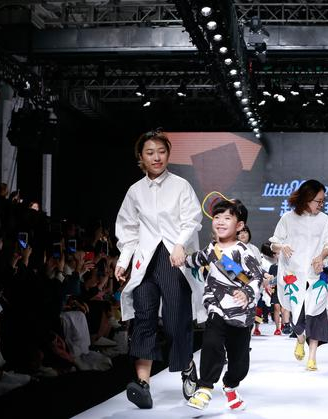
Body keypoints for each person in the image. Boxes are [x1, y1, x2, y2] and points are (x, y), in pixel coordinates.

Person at [114, 128, 205, 409]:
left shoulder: (180, 185)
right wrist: (123, 260)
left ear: (168, 154)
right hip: (145, 262)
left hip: (173, 259)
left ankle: (187, 366)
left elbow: (192, 219)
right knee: (144, 318)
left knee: (176, 320)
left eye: (162, 151)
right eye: (150, 152)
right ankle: (143, 384)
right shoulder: (135, 191)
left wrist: (180, 245)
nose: (156, 157)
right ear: (141, 157)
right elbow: (128, 229)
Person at [183, 199, 262, 410]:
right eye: (217, 217)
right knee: (211, 343)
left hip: (240, 313)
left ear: (239, 225)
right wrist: (180, 258)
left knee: (240, 362)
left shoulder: (243, 251)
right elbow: (195, 259)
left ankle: (231, 386)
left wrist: (246, 293)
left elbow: (256, 277)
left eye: (227, 218)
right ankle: (204, 388)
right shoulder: (211, 249)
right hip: (216, 305)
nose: (220, 221)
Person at [270, 179, 328, 371]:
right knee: (296, 317)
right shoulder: (288, 218)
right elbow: (273, 243)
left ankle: (312, 357)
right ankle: (300, 338)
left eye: (323, 201)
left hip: (315, 275)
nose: (321, 204)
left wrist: (321, 256)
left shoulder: (324, 220)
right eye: (318, 201)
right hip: (293, 274)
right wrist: (282, 246)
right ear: (306, 198)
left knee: (315, 314)